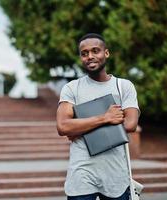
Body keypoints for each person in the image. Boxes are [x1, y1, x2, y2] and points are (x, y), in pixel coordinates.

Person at [56, 33, 140, 200]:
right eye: (84, 53)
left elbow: (130, 124)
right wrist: (105, 118)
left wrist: (79, 129)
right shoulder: (71, 88)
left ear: (106, 53)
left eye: (95, 51)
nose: (90, 56)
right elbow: (63, 127)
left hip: (116, 177)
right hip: (81, 177)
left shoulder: (124, 86)